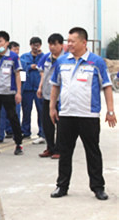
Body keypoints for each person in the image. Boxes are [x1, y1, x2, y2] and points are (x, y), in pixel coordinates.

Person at [49, 27, 115, 201]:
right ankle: (62, 186)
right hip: (66, 114)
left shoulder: (96, 62)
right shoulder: (62, 61)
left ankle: (98, 187)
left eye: (72, 41)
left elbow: (107, 86)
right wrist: (52, 107)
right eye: (68, 41)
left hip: (88, 115)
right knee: (65, 152)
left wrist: (110, 111)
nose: (69, 44)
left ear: (84, 42)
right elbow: (55, 85)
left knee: (92, 152)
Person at [36, 33, 63, 159]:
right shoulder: (46, 58)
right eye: (50, 44)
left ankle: (59, 149)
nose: (52, 47)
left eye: (55, 44)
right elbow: (43, 74)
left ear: (61, 45)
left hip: (61, 97)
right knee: (47, 123)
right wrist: (40, 87)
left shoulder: (66, 58)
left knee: (60, 124)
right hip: (47, 95)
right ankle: (50, 147)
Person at [20, 37, 45, 144]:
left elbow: (46, 67)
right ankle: (25, 131)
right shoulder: (24, 56)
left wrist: (40, 55)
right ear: (30, 45)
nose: (35, 47)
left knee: (41, 111)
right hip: (27, 88)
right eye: (34, 45)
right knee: (26, 111)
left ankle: (42, 132)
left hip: (39, 88)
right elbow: (21, 67)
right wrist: (30, 66)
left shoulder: (44, 57)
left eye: (37, 45)